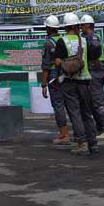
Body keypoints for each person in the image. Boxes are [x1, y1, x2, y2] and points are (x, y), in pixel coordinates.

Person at [54, 12, 98, 156]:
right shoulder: (84, 41)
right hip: (85, 80)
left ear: (66, 27)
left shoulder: (62, 41)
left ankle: (81, 143)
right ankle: (93, 143)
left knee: (75, 113)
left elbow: (57, 62)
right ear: (77, 25)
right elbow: (91, 58)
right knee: (87, 113)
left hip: (69, 81)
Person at [80, 14, 104, 141]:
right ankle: (100, 128)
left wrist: (93, 60)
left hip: (96, 71)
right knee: (94, 102)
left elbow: (94, 51)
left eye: (82, 25)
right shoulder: (94, 36)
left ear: (88, 25)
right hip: (97, 71)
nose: (81, 27)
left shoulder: (92, 37)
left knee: (98, 102)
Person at [41, 14, 70, 145]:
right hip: (67, 75)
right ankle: (78, 133)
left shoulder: (48, 43)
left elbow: (46, 66)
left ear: (48, 28)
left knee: (58, 106)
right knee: (70, 105)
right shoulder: (64, 39)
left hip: (54, 77)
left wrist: (43, 84)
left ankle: (64, 134)